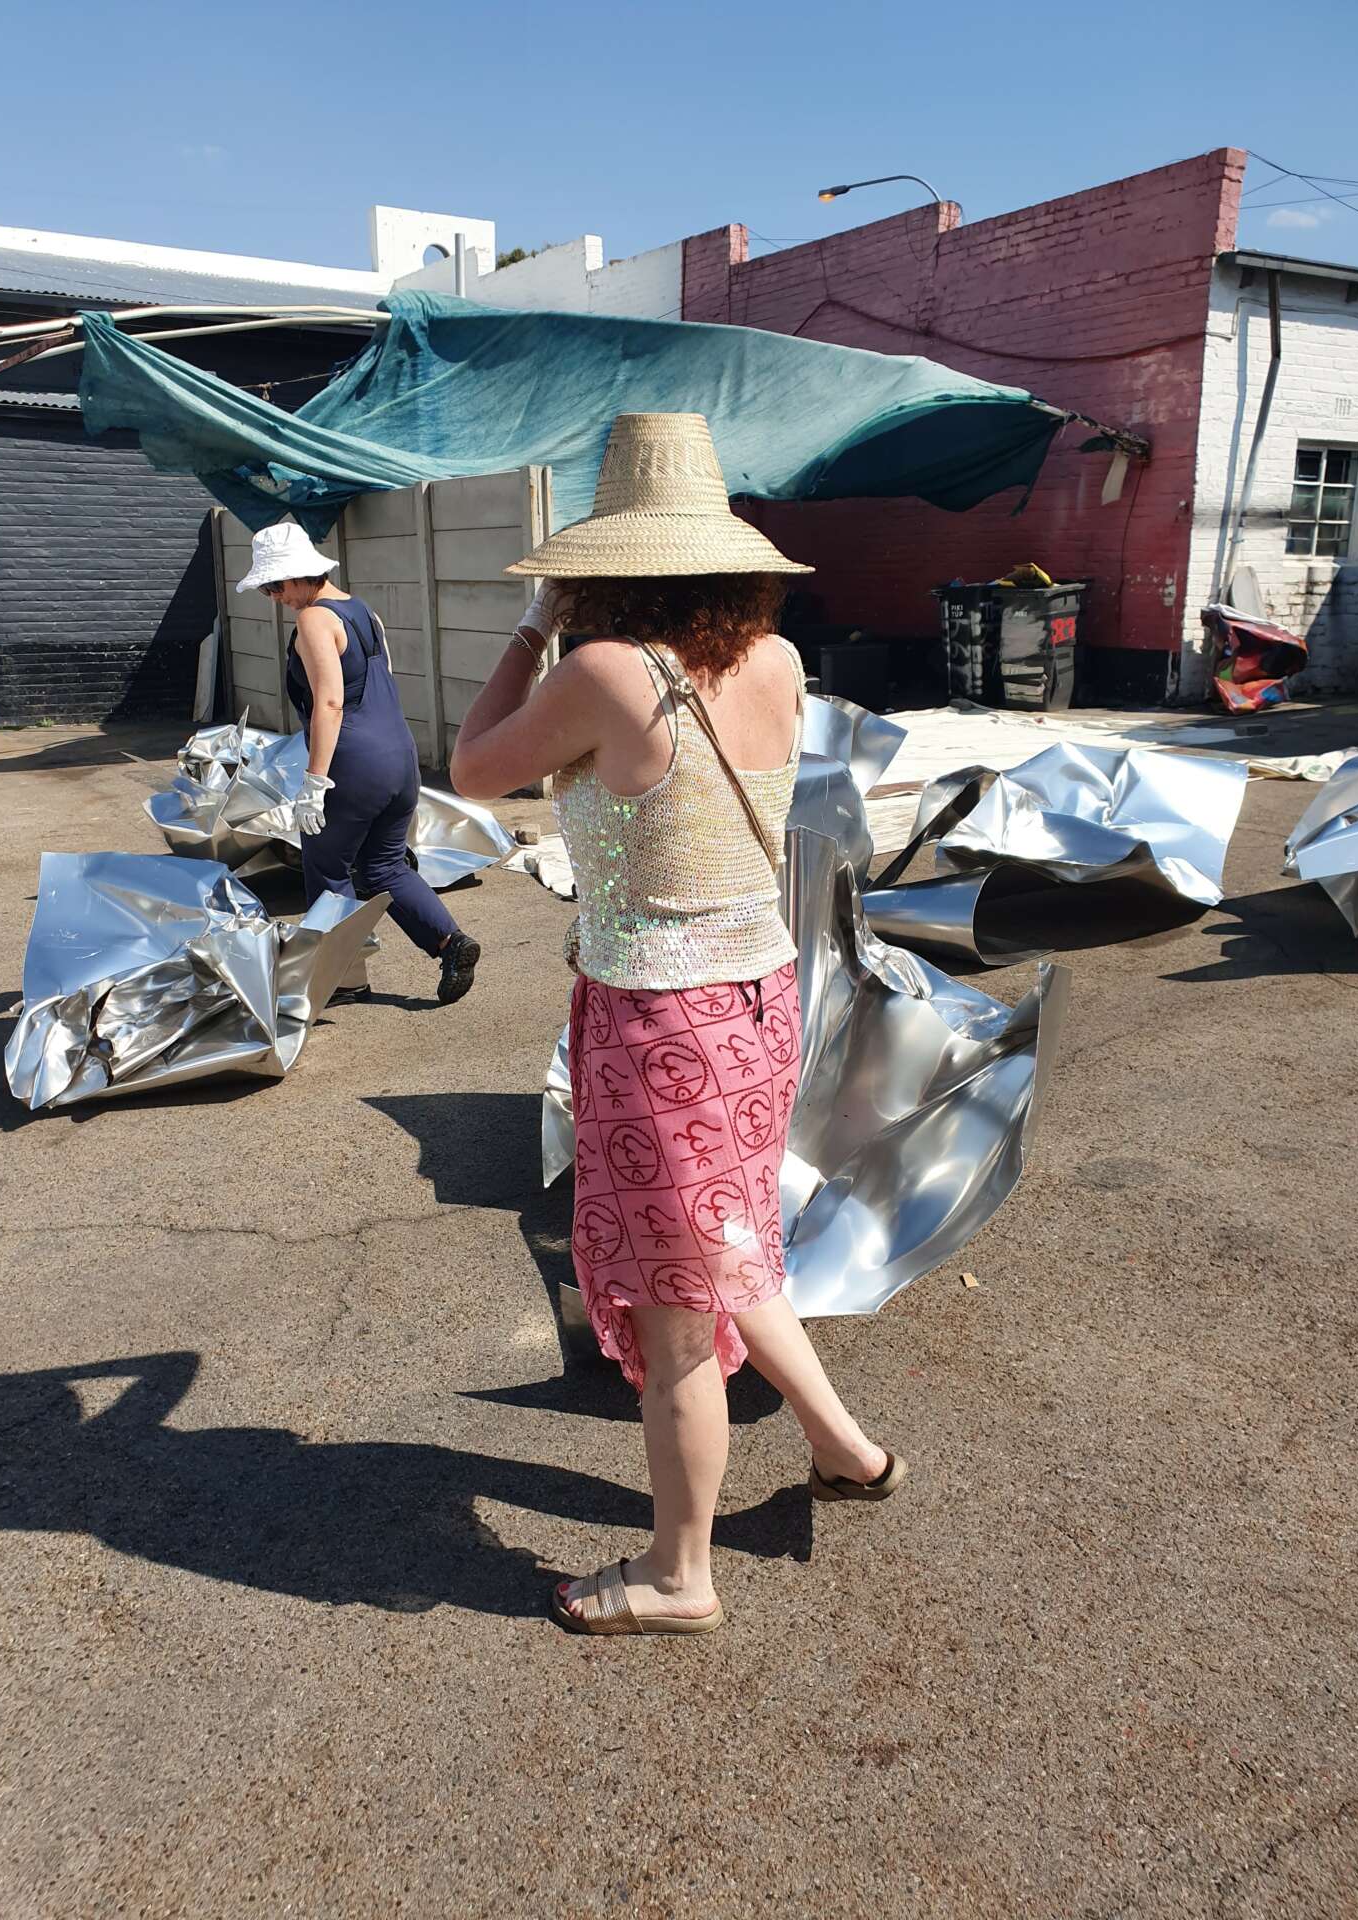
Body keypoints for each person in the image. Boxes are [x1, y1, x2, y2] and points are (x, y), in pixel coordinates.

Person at [449, 413, 904, 1637]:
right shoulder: (778, 659)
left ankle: (678, 1573)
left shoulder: (606, 673)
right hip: (757, 1002)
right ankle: (844, 1448)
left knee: (674, 1312)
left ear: (605, 566)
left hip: (661, 1027)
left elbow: (475, 766)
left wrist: (532, 629)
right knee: (730, 1244)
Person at [235, 522, 480, 1004]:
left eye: (275, 586)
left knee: (327, 869)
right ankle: (451, 943)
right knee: (384, 866)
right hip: (399, 760)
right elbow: (379, 683)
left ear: (299, 574)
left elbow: (330, 702)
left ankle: (344, 981)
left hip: (352, 766)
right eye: (267, 589)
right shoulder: (363, 611)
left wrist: (314, 782)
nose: (274, 597)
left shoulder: (314, 620)